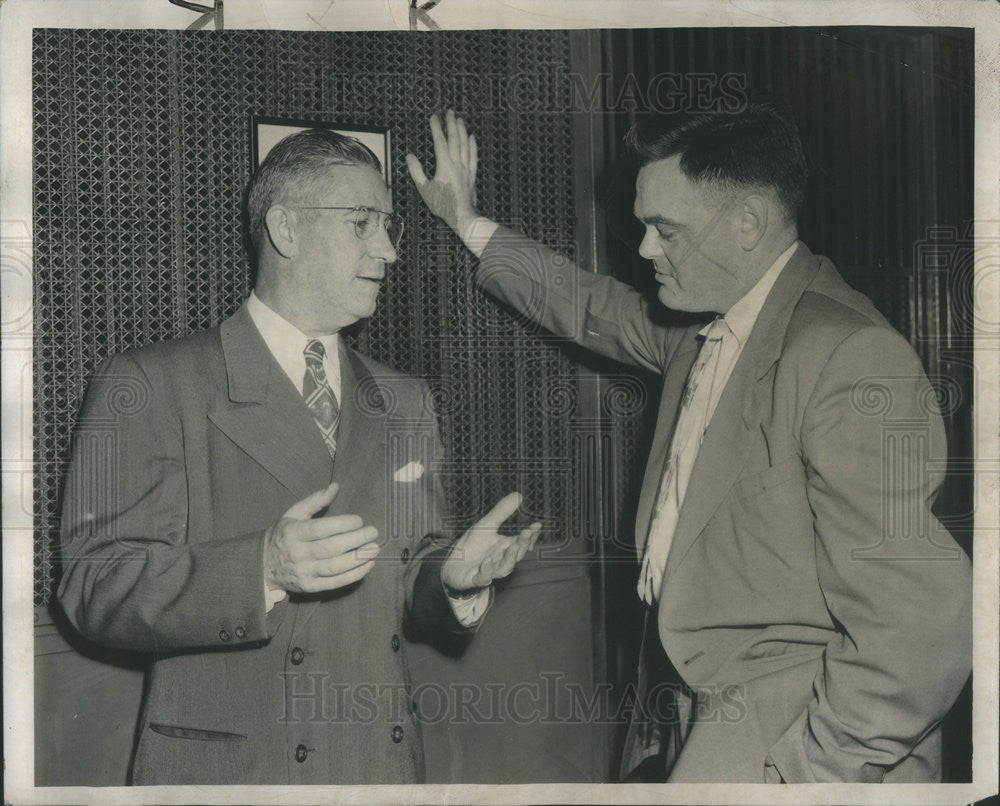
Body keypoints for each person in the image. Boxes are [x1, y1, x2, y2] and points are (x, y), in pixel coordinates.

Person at [406, 106, 972, 783]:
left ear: (748, 224)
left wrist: (802, 778)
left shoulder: (850, 357)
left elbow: (918, 626)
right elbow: (586, 306)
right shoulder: (702, 327)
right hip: (678, 720)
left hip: (789, 750)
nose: (644, 249)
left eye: (663, 230)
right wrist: (466, 220)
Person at [57, 128, 540, 785]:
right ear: (284, 228)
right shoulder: (150, 383)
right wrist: (261, 567)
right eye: (362, 224)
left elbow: (407, 577)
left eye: (389, 226)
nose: (391, 252)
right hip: (236, 774)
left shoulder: (404, 399)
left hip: (379, 767)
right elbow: (94, 586)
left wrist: (450, 581)